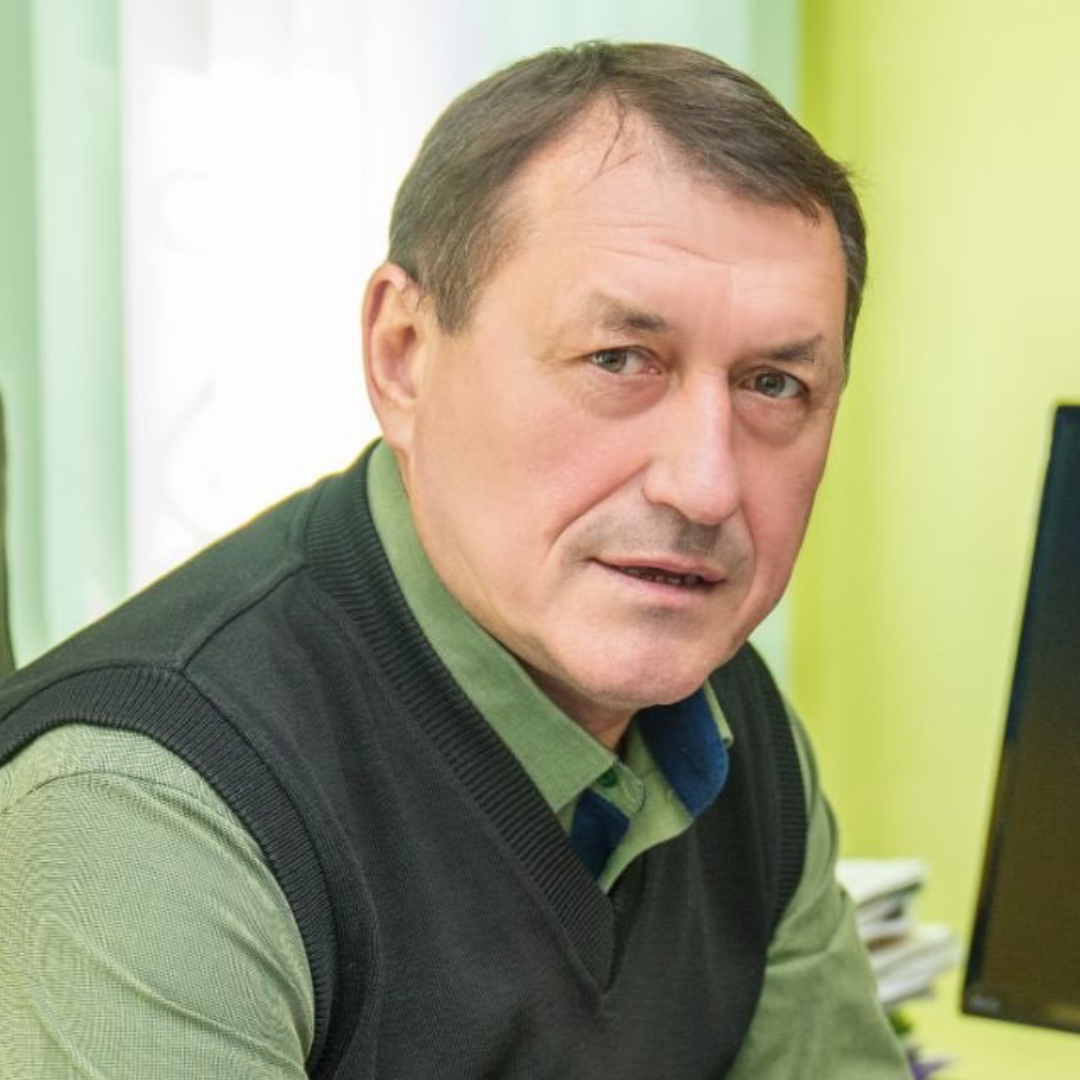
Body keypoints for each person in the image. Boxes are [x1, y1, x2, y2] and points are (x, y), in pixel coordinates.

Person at [0, 42, 910, 1079]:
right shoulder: (146, 808)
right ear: (403, 355)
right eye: (619, 360)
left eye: (774, 385)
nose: (706, 487)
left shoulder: (732, 722)